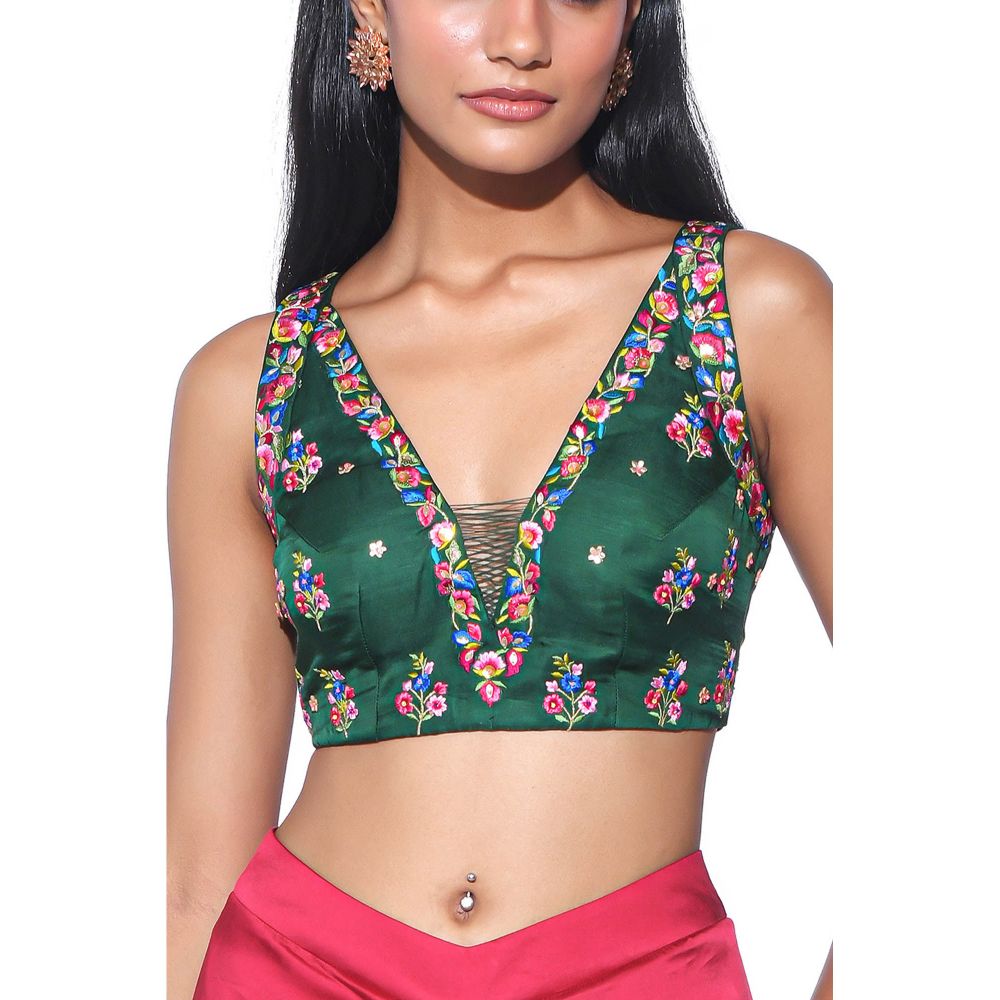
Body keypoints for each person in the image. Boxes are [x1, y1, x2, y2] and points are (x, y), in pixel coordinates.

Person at [166, 1, 833, 997]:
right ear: (368, 9)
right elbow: (196, 878)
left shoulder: (752, 311)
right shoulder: (250, 382)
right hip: (294, 969)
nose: (522, 39)